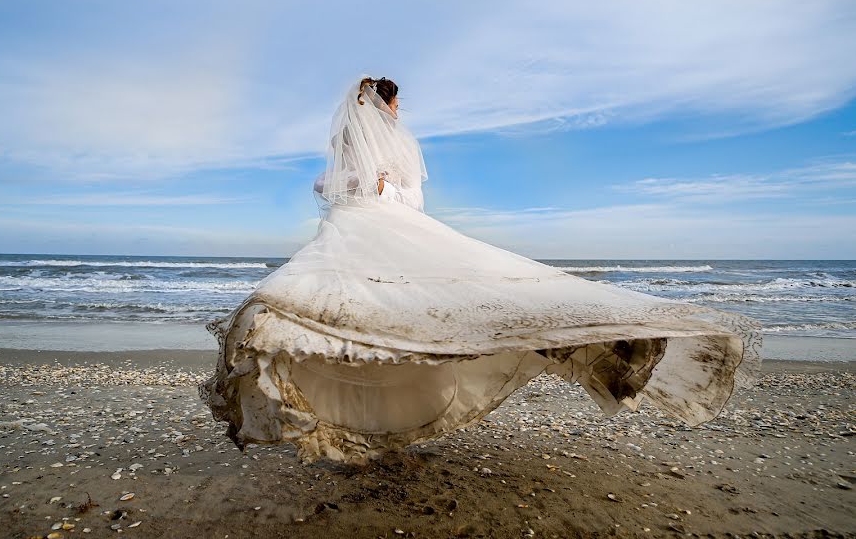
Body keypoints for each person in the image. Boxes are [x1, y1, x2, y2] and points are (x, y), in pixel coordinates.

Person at [198, 76, 762, 465]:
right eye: (395, 108)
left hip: (363, 235)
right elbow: (406, 203)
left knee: (357, 323)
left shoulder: (351, 167)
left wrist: (350, 191)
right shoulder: (398, 162)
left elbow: (333, 188)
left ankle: (351, 426)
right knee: (409, 320)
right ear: (387, 110)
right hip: (390, 232)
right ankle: (369, 426)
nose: (397, 116)